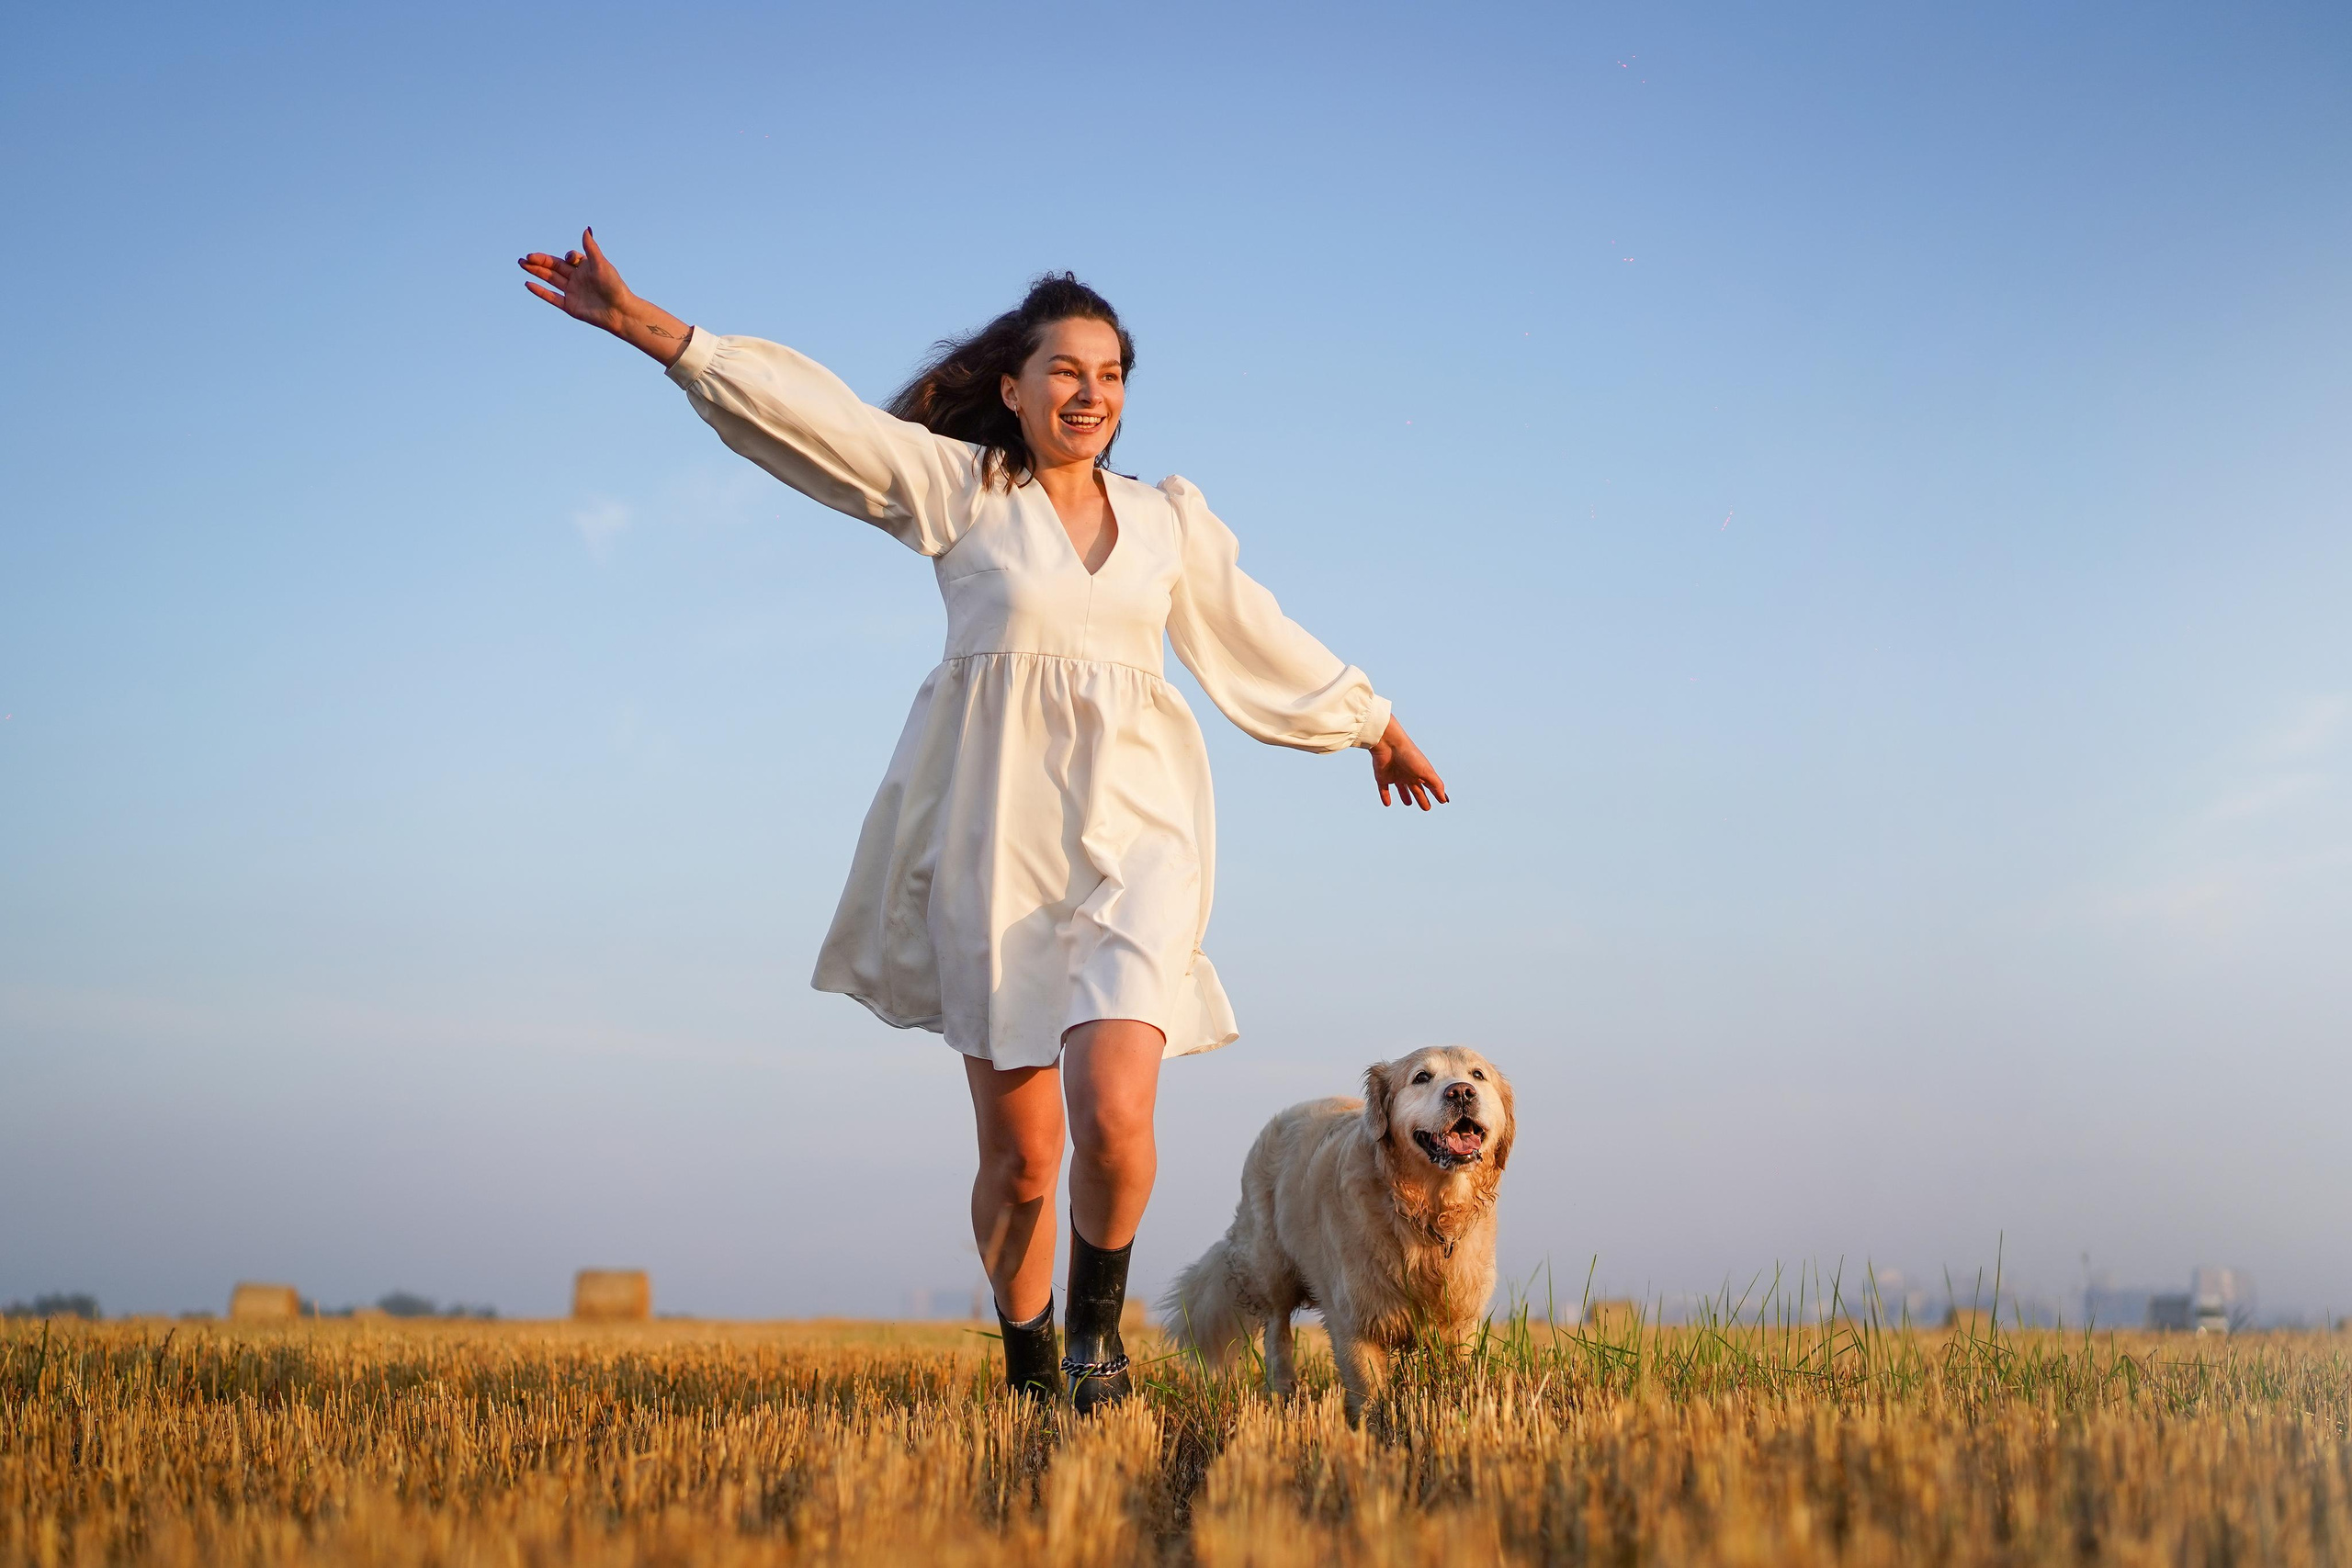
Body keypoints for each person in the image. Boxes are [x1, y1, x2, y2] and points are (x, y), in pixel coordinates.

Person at [518, 231, 1449, 1409]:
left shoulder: (1166, 520)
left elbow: (1252, 632)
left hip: (1141, 830)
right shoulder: (961, 489)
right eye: (1065, 371)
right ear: (1012, 389)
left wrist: (1367, 721)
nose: (1090, 394)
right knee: (1021, 1165)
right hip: (994, 832)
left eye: (1110, 376)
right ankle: (1028, 1366)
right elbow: (823, 431)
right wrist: (654, 329)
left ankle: (1097, 1350)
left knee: (1114, 1114)